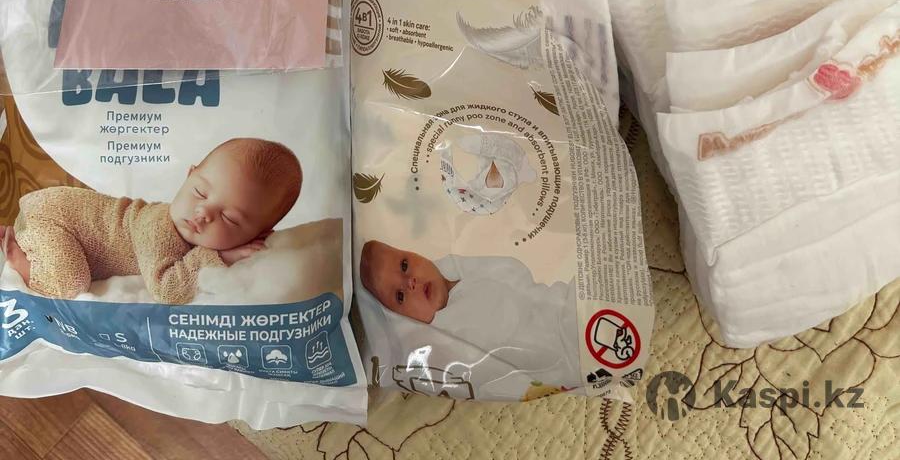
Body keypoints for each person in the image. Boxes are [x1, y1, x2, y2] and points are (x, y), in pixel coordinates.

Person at [1, 137, 301, 304]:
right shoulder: (158, 228)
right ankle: (16, 251)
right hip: (54, 217)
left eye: (229, 218)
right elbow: (166, 289)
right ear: (189, 175)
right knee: (71, 285)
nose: (203, 213)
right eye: (199, 192)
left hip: (65, 217)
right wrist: (219, 256)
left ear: (259, 234)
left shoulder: (190, 230)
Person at [359, 240, 583, 390]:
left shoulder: (466, 273)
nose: (411, 282)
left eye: (404, 265)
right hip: (568, 357)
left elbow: (516, 273)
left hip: (568, 307)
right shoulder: (439, 338)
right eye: (400, 296)